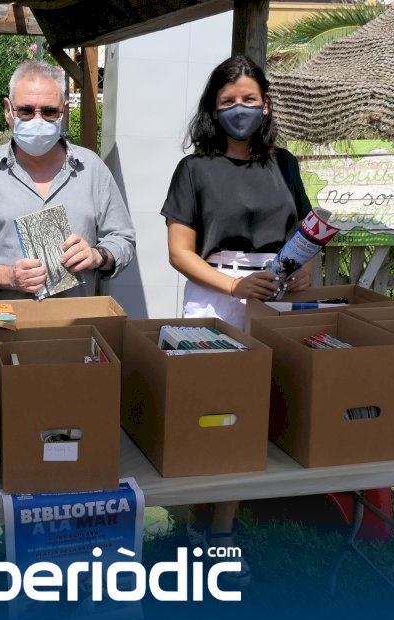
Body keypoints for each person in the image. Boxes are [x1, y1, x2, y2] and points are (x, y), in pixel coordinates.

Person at [160, 55, 315, 588]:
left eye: (249, 99)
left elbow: (306, 230)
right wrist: (233, 287)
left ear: (266, 105)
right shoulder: (194, 169)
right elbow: (180, 252)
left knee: (248, 415)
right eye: (228, 101)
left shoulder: (284, 164)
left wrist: (304, 272)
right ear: (213, 108)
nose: (240, 109)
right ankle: (193, 520)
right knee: (209, 412)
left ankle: (221, 533)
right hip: (215, 300)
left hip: (275, 296)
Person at [0, 60, 135, 300]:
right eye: (26, 111)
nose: (37, 120)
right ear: (8, 110)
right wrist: (6, 276)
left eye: (49, 111)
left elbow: (123, 239)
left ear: (64, 112)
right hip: (9, 319)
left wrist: (98, 256)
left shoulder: (92, 169)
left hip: (78, 318)